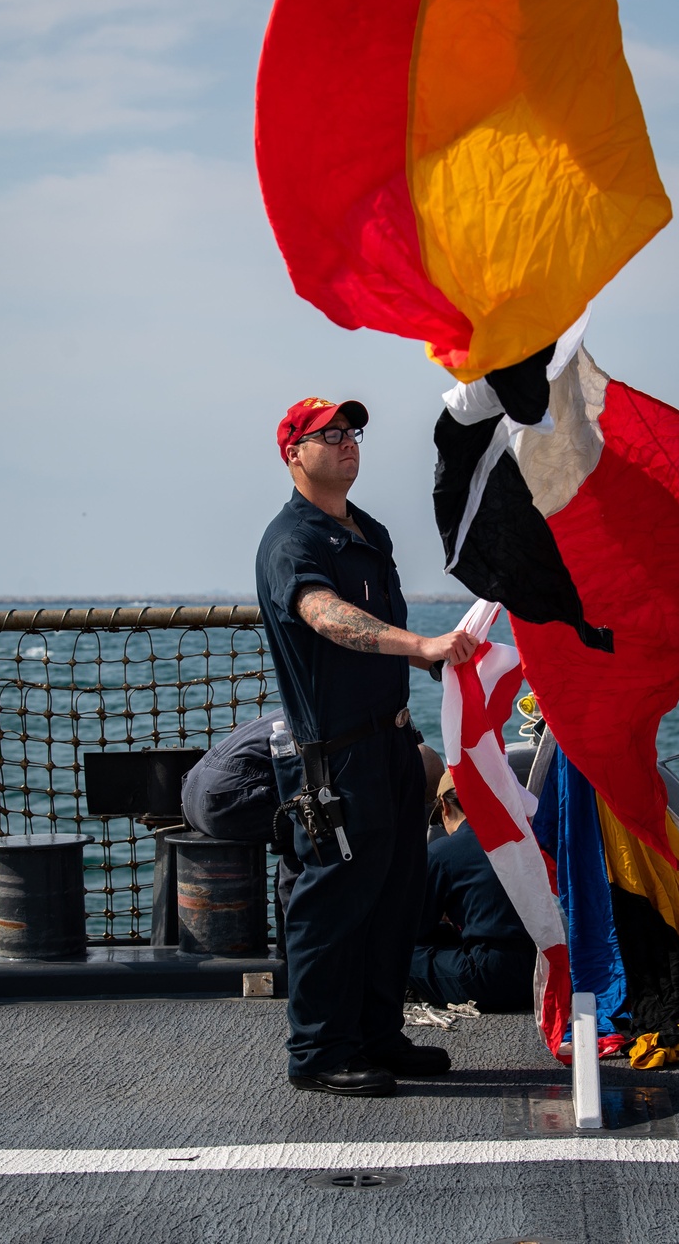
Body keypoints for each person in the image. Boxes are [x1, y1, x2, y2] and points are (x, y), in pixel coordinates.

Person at [255, 395, 479, 1097]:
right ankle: (320, 1052)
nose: (348, 443)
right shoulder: (293, 543)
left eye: (352, 432)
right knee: (333, 902)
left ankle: (378, 1035)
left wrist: (435, 662)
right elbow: (325, 615)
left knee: (393, 896)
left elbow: (375, 631)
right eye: (330, 435)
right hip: (337, 759)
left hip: (389, 748)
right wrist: (421, 646)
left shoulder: (368, 532)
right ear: (294, 453)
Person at [409, 770, 536, 1012]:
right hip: (537, 973)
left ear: (445, 807)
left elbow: (413, 929)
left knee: (397, 951)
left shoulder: (443, 852)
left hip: (489, 979)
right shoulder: (521, 839)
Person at [180, 714, 301, 948]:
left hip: (192, 789)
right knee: (310, 836)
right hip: (227, 800)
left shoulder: (287, 709)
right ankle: (295, 948)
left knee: (299, 829)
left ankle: (291, 949)